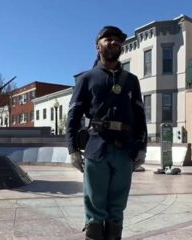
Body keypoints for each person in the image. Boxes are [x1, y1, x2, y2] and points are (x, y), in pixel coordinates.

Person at [66, 26, 147, 240]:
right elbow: (73, 116)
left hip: (124, 150)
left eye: (118, 41)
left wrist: (142, 148)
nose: (113, 43)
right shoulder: (86, 78)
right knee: (94, 207)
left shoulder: (131, 81)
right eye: (108, 39)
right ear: (97, 46)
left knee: (117, 206)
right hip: (96, 149)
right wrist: (73, 149)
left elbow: (140, 117)